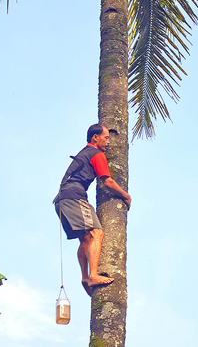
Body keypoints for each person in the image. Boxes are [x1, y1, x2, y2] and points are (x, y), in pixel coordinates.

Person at [54, 123, 131, 295]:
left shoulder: (84, 153)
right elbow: (108, 182)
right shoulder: (96, 154)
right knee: (97, 233)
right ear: (95, 138)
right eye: (106, 137)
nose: (108, 142)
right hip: (74, 196)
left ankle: (84, 277)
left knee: (86, 239)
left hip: (61, 200)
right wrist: (125, 195)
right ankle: (93, 275)